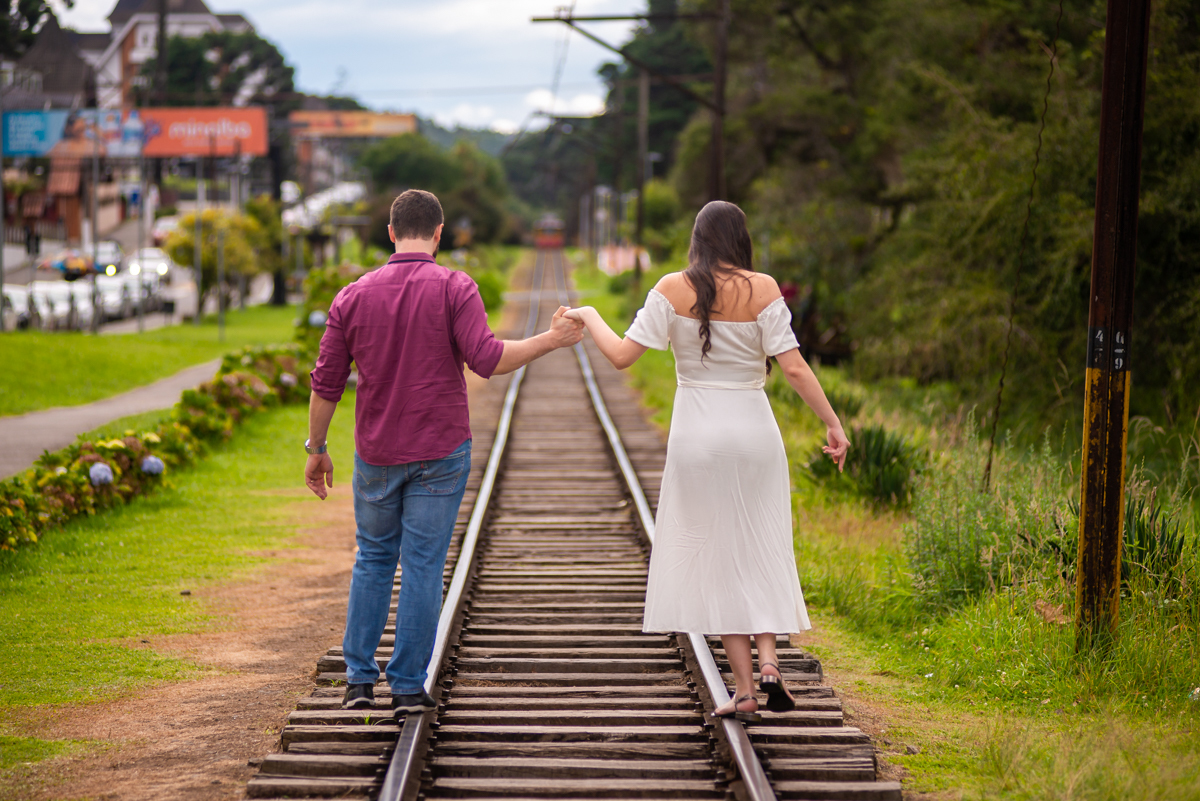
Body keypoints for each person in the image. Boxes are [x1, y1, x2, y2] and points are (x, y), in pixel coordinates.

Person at [305, 189, 584, 718]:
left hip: (377, 454)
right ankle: (407, 685)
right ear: (438, 233)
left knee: (373, 559)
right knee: (424, 566)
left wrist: (317, 449)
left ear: (391, 232)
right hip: (440, 451)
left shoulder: (352, 296)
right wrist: (549, 340)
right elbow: (487, 360)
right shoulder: (457, 286)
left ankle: (359, 681)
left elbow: (326, 384)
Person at [566, 200, 850, 719]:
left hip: (697, 436)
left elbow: (623, 355)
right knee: (761, 543)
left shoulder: (672, 288)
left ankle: (743, 692)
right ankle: (769, 662)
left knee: (719, 556)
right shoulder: (764, 288)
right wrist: (832, 422)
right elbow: (793, 369)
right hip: (755, 434)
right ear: (741, 239)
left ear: (697, 240)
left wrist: (588, 314)